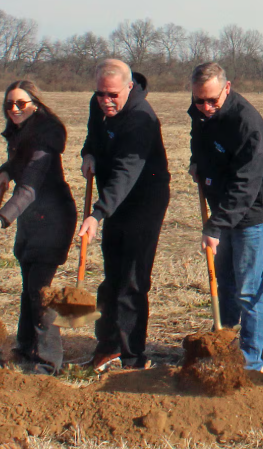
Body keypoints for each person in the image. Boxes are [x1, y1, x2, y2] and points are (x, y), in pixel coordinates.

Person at [188, 62, 263, 372]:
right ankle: (225, 349)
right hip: (224, 207)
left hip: (253, 210)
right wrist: (197, 163)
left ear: (227, 89)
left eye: (212, 100)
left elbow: (247, 184)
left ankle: (250, 363)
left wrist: (216, 225)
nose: (205, 107)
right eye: (199, 100)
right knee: (224, 282)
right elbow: (202, 143)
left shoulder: (246, 123)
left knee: (247, 287)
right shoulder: (201, 114)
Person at [79, 59, 170, 371]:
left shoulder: (141, 120)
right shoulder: (99, 104)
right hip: (114, 202)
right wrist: (88, 153)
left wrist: (97, 214)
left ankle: (133, 358)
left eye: (112, 95)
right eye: (101, 94)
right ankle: (108, 347)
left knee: (132, 281)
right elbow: (93, 134)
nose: (105, 100)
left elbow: (125, 174)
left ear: (129, 87)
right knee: (111, 278)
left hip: (143, 202)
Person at [0, 80, 77, 375]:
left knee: (41, 291)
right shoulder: (23, 130)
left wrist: (0, 219)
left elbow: (31, 186)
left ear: (35, 103)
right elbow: (19, 161)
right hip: (32, 219)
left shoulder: (45, 136)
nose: (14, 109)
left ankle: (48, 362)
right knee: (29, 286)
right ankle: (26, 346)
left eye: (21, 103)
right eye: (9, 104)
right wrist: (5, 170)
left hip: (53, 218)